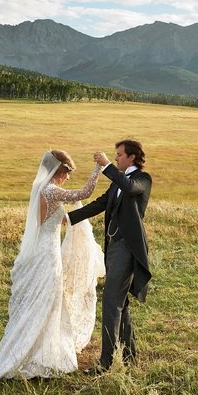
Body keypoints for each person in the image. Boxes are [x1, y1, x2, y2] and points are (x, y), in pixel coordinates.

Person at [0, 150, 105, 379]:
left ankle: (40, 347)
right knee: (47, 298)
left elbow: (55, 218)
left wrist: (74, 222)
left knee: (46, 297)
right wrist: (99, 168)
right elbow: (85, 193)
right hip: (48, 254)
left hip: (44, 249)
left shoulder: (43, 190)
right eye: (67, 173)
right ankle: (33, 352)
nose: (68, 177)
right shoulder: (51, 190)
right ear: (59, 171)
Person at [68, 139, 152, 371]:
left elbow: (130, 188)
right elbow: (100, 204)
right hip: (113, 248)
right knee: (120, 303)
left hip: (127, 249)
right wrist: (68, 218)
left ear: (132, 157)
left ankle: (106, 363)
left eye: (119, 155)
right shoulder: (118, 183)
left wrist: (106, 166)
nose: (116, 158)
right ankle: (129, 355)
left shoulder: (142, 179)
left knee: (111, 303)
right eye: (115, 156)